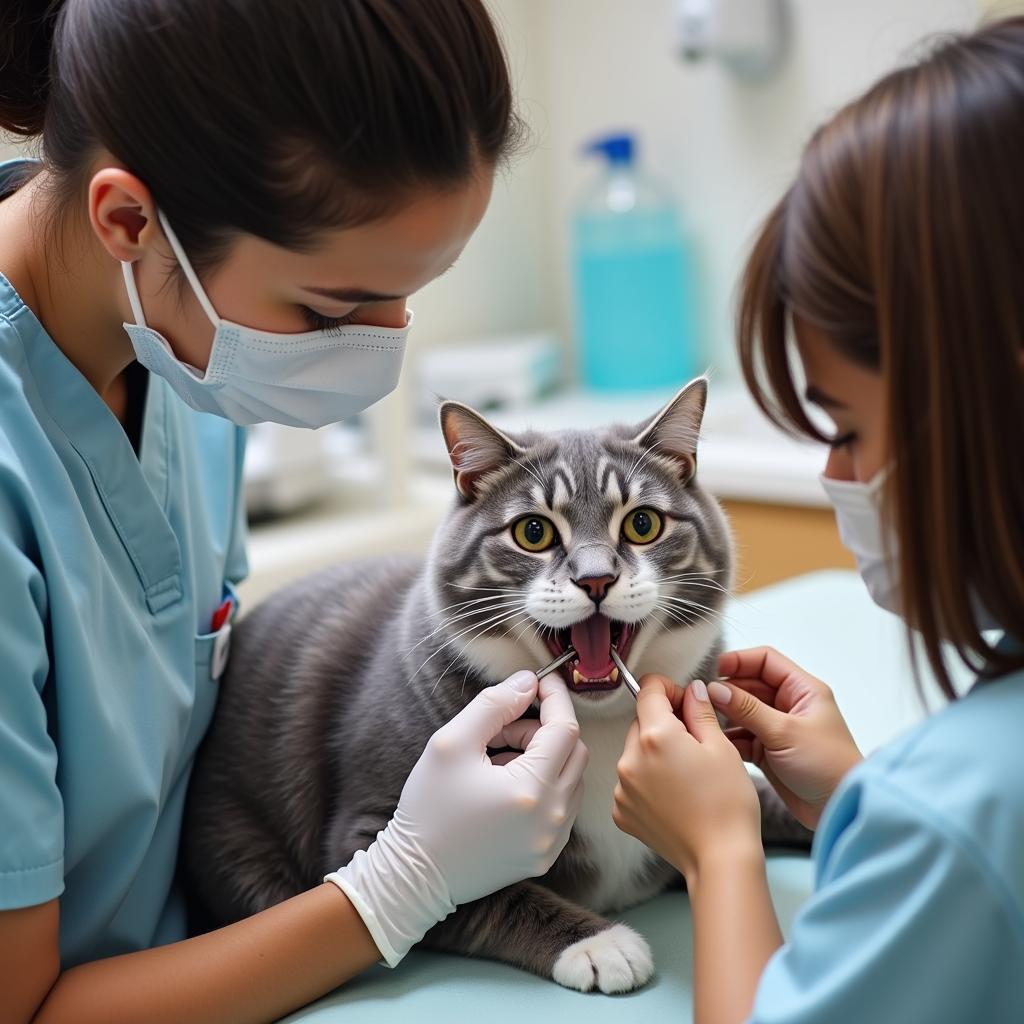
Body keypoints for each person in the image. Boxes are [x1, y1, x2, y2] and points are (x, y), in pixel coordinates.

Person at [0, 2, 587, 1022]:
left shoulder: (175, 354)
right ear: (129, 222)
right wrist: (397, 883)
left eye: (410, 294)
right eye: (328, 311)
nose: (381, 345)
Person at [612, 15, 1024, 1024]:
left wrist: (718, 847)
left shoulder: (966, 801)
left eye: (843, 424)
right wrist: (863, 801)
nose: (834, 470)